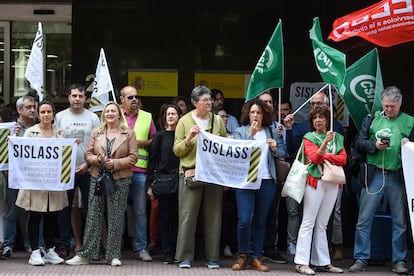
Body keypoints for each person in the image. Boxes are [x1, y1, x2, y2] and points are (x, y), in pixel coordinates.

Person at [349, 86, 414, 274]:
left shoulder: (410, 122)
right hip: (375, 172)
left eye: (393, 106)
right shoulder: (372, 118)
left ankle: (399, 260)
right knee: (364, 218)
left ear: (400, 104)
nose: (389, 110)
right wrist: (374, 146)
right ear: (382, 103)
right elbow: (358, 142)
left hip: (397, 175)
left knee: (400, 221)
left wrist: (408, 144)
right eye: (386, 106)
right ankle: (361, 258)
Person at [66, 102, 137, 266]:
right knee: (93, 215)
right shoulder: (96, 132)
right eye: (107, 111)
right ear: (104, 115)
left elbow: (133, 158)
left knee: (116, 216)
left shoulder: (129, 134)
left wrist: (116, 163)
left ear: (119, 114)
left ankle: (113, 255)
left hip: (120, 178)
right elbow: (87, 154)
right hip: (97, 177)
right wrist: (96, 159)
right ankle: (86, 254)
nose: (110, 113)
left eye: (113, 111)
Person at [173, 85, 227, 269]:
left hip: (213, 175)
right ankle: (185, 257)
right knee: (187, 216)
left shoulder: (218, 121)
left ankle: (212, 257)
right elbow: (177, 150)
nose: (210, 102)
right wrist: (189, 139)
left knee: (214, 216)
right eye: (205, 100)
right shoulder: (184, 121)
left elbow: (225, 146)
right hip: (190, 173)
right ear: (195, 103)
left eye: (210, 99)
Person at [231, 99, 287, 272]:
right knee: (244, 219)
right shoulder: (240, 131)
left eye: (259, 112)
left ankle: (256, 256)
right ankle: (242, 255)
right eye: (252, 112)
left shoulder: (272, 131)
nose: (255, 115)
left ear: (264, 115)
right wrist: (251, 134)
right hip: (245, 181)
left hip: (266, 180)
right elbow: (238, 153)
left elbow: (284, 152)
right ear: (248, 114)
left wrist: (276, 147)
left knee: (261, 220)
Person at [294, 105, 346, 275]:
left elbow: (343, 159)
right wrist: (325, 144)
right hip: (314, 181)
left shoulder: (337, 137)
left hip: (332, 182)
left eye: (321, 117)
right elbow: (314, 159)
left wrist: (325, 156)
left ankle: (323, 261)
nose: (318, 120)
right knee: (308, 221)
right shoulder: (308, 137)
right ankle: (302, 262)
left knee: (322, 223)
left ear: (327, 120)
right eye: (315, 117)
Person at [15, 100, 68, 266]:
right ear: (38, 114)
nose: (46, 115)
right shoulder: (30, 133)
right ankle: (35, 251)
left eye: (49, 112)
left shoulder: (61, 133)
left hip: (54, 183)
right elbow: (23, 156)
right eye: (43, 112)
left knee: (52, 216)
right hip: (35, 182)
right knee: (35, 216)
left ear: (53, 114)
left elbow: (65, 156)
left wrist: (71, 148)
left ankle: (50, 250)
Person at [55, 83, 101, 257]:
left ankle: (91, 246)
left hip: (88, 169)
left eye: (80, 96)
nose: (77, 99)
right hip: (65, 170)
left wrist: (88, 165)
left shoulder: (93, 118)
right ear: (68, 97)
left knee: (91, 209)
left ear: (85, 98)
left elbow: (98, 145)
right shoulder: (59, 117)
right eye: (74, 96)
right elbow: (55, 142)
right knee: (63, 209)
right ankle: (64, 245)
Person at [120, 86, 156, 261]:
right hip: (120, 171)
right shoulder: (115, 115)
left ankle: (142, 248)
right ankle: (115, 247)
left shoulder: (147, 116)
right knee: (118, 210)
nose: (134, 99)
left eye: (136, 97)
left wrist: (142, 142)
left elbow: (154, 141)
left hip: (140, 171)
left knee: (141, 212)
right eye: (130, 97)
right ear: (122, 100)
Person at [1, 95, 37, 260]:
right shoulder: (10, 129)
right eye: (29, 107)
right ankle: (8, 246)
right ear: (19, 110)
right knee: (11, 212)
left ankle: (34, 245)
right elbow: (3, 153)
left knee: (34, 212)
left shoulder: (40, 127)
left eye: (34, 107)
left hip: (35, 177)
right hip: (14, 177)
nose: (32, 110)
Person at [147, 104, 181, 264]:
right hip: (164, 182)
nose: (171, 116)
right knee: (165, 217)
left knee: (179, 218)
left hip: (181, 181)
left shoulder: (184, 136)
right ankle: (167, 252)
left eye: (174, 113)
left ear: (179, 116)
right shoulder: (159, 137)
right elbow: (152, 162)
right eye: (168, 114)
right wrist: (150, 185)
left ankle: (178, 251)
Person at [258, 91, 288, 264]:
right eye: (264, 102)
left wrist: (276, 147)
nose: (267, 105)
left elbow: (285, 152)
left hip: (271, 178)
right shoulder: (247, 127)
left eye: (270, 102)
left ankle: (269, 248)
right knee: (252, 216)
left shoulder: (275, 128)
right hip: (252, 179)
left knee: (270, 215)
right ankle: (252, 250)